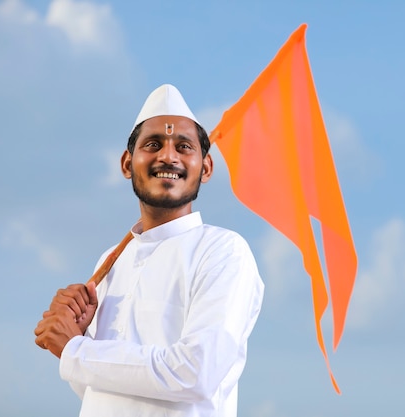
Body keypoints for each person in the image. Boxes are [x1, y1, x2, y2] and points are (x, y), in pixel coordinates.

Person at [34, 84, 265, 417]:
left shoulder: (223, 251)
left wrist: (75, 349)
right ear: (128, 164)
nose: (168, 156)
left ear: (207, 168)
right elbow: (98, 391)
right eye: (154, 144)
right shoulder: (111, 260)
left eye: (184, 147)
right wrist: (77, 336)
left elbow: (196, 374)